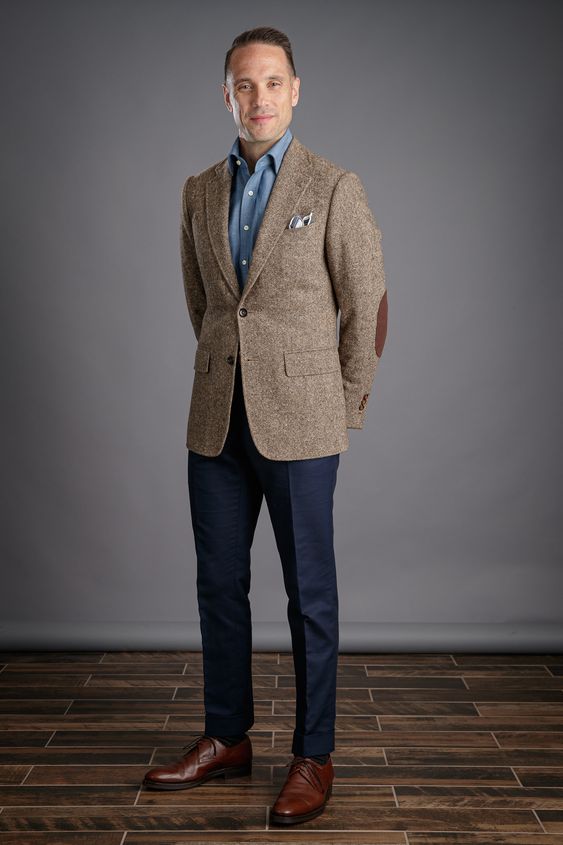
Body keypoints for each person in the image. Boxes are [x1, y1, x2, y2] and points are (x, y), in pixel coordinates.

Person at [143, 25, 388, 826]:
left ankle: (313, 754)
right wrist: (229, 368)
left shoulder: (332, 186)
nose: (258, 98)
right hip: (216, 419)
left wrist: (342, 407)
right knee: (219, 584)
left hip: (304, 423)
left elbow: (367, 304)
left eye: (272, 82)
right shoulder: (197, 190)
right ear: (226, 95)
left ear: (295, 90)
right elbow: (206, 305)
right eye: (243, 84)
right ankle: (227, 736)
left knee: (308, 594)